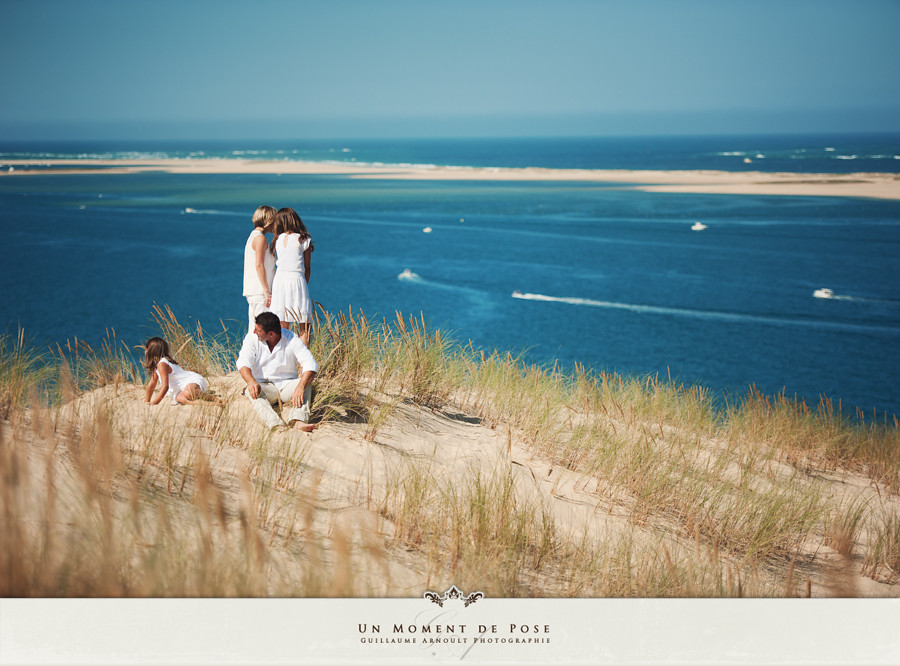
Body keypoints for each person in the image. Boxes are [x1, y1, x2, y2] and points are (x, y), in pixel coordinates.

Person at [237, 311, 318, 432]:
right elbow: (243, 363)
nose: (255, 332)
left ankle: (298, 421)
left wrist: (301, 386)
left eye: (258, 330)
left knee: (306, 384)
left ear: (271, 334)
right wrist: (251, 382)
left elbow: (311, 364)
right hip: (264, 387)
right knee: (251, 391)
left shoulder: (291, 339)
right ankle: (275, 424)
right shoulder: (251, 338)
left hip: (286, 385)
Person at [269, 207, 314, 345]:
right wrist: (304, 284)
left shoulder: (277, 239)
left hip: (280, 280)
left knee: (282, 323)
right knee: (304, 325)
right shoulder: (303, 239)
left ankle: (284, 358)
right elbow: (307, 268)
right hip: (297, 279)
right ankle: (302, 361)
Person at [143, 337, 218, 406]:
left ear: (151, 351)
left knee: (190, 392)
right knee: (180, 398)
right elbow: (152, 384)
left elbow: (165, 386)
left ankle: (214, 399)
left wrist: (154, 403)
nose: (145, 352)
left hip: (191, 380)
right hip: (180, 389)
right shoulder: (157, 366)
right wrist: (147, 401)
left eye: (146, 349)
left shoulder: (162, 364)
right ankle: (211, 404)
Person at [242, 205, 277, 334]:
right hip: (260, 292)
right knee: (263, 331)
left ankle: (249, 354)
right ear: (269, 220)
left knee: (254, 330)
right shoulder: (260, 239)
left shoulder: (254, 236)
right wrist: (267, 291)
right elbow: (259, 265)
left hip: (255, 292)